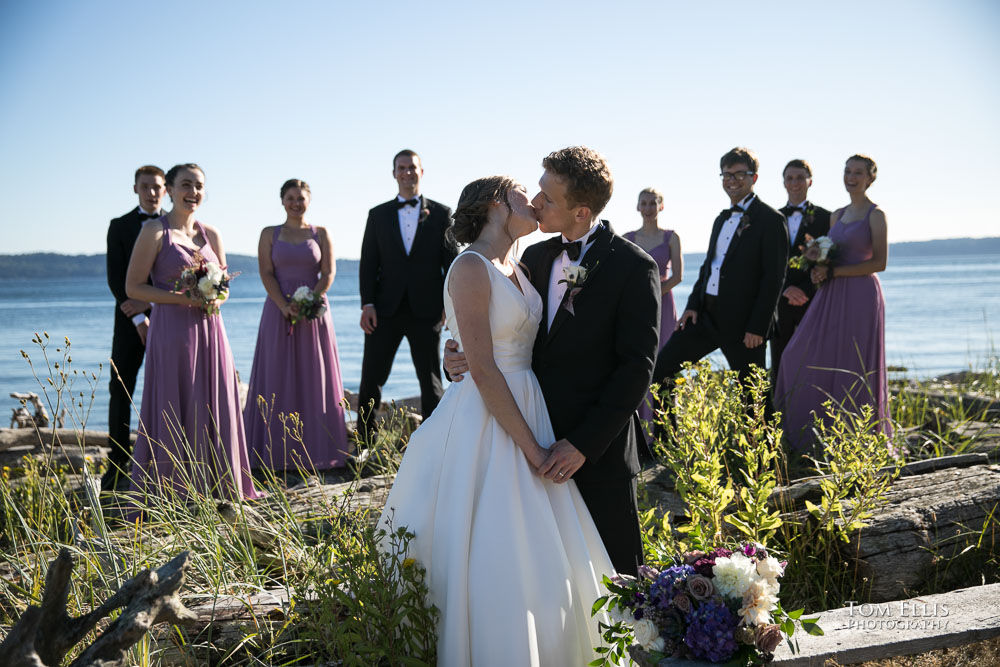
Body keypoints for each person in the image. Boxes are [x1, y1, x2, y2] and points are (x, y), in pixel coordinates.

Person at [380, 175, 616, 665]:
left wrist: (457, 353)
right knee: (490, 546)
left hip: (530, 403)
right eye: (521, 196)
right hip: (487, 416)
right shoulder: (470, 266)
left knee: (544, 553)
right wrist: (533, 450)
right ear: (494, 205)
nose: (533, 202)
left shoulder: (524, 266)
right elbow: (483, 368)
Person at [444, 147, 661, 576]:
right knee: (544, 574)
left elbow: (637, 369)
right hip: (528, 436)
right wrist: (455, 356)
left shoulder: (634, 267)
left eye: (547, 197)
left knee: (619, 575)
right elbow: (500, 327)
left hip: (596, 452)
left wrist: (582, 445)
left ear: (581, 212)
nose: (536, 202)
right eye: (537, 191)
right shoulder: (533, 260)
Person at [124, 163, 261, 505]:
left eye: (199, 186)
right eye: (186, 184)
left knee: (216, 404)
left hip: (211, 330)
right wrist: (182, 298)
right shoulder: (155, 232)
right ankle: (175, 492)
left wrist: (213, 293)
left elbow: (225, 288)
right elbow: (133, 287)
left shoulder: (211, 234)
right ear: (169, 189)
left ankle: (221, 486)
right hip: (171, 331)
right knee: (175, 402)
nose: (194, 192)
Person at [776, 155, 891, 449]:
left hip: (862, 295)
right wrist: (817, 267)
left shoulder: (876, 215)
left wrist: (833, 270)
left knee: (854, 361)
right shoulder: (836, 216)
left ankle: (858, 440)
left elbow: (879, 263)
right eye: (847, 171)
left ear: (870, 178)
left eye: (858, 173)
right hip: (831, 293)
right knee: (795, 355)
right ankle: (811, 435)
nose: (851, 177)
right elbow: (830, 253)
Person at [651, 147, 788, 388]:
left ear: (753, 178)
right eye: (726, 175)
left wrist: (758, 327)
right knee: (662, 371)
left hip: (745, 325)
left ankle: (766, 428)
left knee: (753, 398)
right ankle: (670, 427)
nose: (732, 181)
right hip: (706, 317)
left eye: (739, 174)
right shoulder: (721, 218)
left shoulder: (771, 219)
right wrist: (693, 305)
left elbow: (773, 278)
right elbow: (708, 267)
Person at [243, 179, 350, 471]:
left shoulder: (321, 233)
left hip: (314, 313)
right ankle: (275, 454)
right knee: (276, 374)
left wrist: (307, 302)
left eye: (301, 198)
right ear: (282, 201)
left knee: (315, 375)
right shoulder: (269, 234)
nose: (296, 203)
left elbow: (328, 273)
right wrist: (284, 305)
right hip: (278, 311)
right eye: (290, 198)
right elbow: (266, 273)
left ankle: (318, 451)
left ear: (309, 201)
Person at [357, 149, 459, 442]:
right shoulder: (377, 215)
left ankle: (435, 442)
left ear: (421, 172)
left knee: (431, 381)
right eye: (401, 168)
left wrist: (449, 306)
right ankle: (364, 444)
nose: (407, 172)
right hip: (385, 310)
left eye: (412, 167)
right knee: (371, 379)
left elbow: (451, 263)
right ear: (394, 173)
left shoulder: (442, 213)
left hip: (426, 311)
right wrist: (368, 304)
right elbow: (368, 263)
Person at [102, 165, 165, 491]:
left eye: (157, 187)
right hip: (128, 323)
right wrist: (139, 318)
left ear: (165, 190)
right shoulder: (120, 226)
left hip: (170, 321)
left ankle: (168, 457)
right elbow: (116, 278)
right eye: (146, 186)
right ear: (135, 189)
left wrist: (152, 308)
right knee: (121, 389)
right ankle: (118, 461)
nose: (152, 192)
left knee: (170, 389)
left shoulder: (175, 225)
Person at [624, 187, 682, 432]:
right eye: (644, 203)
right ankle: (640, 432)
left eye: (652, 203)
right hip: (638, 308)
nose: (648, 208)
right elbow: (624, 277)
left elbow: (678, 276)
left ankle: (666, 432)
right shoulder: (628, 238)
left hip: (664, 307)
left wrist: (655, 295)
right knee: (639, 363)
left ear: (661, 206)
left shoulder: (671, 237)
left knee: (665, 364)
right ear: (637, 207)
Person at [771, 159, 831, 383]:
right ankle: (780, 411)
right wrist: (786, 288)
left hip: (814, 298)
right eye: (789, 178)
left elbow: (831, 259)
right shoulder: (771, 218)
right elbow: (766, 262)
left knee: (815, 357)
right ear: (783, 183)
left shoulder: (827, 217)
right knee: (780, 358)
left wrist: (807, 288)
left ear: (810, 181)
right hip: (780, 299)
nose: (794, 182)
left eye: (800, 177)